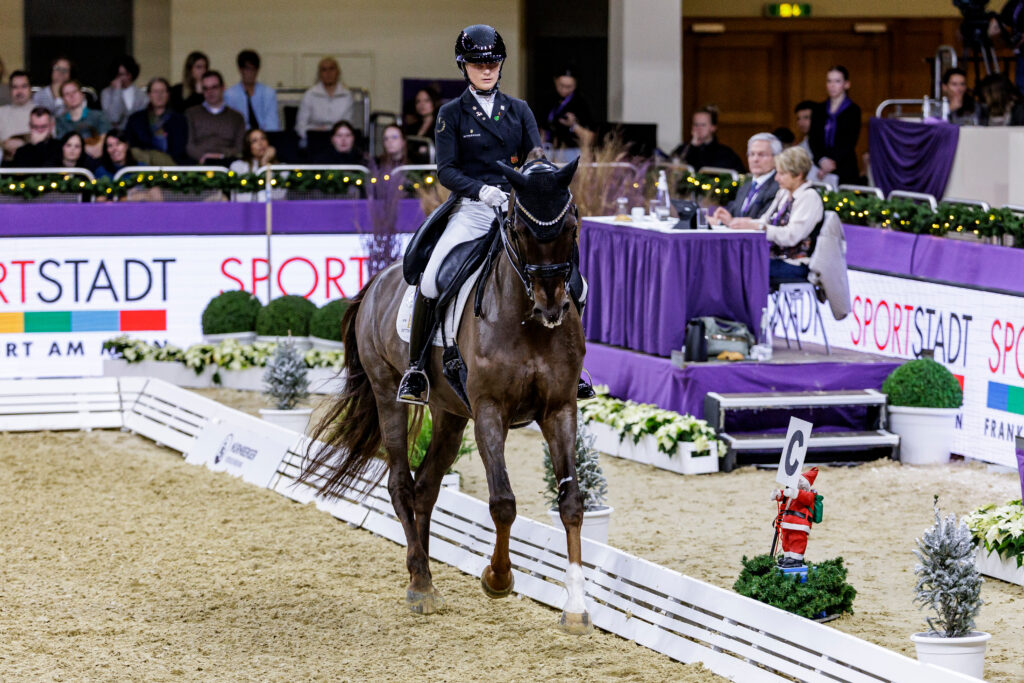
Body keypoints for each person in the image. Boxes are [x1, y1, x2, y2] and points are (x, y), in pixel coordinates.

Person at [399, 24, 591, 404]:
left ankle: (574, 365)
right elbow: (446, 171)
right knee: (433, 279)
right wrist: (480, 190)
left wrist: (543, 184)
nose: (486, 70)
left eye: (492, 63)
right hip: (472, 212)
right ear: (464, 67)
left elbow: (535, 155)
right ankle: (416, 369)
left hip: (518, 213)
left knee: (577, 284)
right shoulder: (451, 114)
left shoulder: (519, 110)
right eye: (477, 64)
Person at [728, 146, 824, 285]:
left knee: (744, 268)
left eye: (782, 174)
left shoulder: (809, 197)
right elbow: (765, 221)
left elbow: (791, 236)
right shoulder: (783, 193)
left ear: (798, 175)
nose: (776, 178)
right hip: (775, 259)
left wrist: (759, 227)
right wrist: (740, 223)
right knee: (735, 262)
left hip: (795, 264)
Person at [711, 133, 781, 226]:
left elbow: (764, 222)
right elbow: (733, 215)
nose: (755, 159)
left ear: (776, 158)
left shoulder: (779, 186)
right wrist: (721, 218)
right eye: (752, 154)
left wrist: (731, 221)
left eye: (762, 155)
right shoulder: (745, 186)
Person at [808, 66, 862, 185]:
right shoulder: (818, 109)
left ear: (846, 84)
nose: (832, 85)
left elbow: (849, 141)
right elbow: (813, 138)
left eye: (837, 81)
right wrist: (822, 160)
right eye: (829, 81)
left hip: (845, 167)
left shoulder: (853, 110)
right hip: (820, 167)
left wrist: (832, 161)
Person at [185, 70, 246, 164]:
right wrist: (203, 158)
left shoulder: (237, 117)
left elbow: (240, 148)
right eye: (206, 88)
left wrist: (221, 156)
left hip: (229, 164)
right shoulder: (191, 114)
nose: (210, 92)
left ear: (223, 88)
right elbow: (189, 145)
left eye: (214, 87)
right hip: (199, 164)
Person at [126, 77, 189, 164]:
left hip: (172, 166)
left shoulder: (179, 120)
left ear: (168, 94)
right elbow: (133, 147)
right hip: (144, 165)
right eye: (155, 92)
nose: (159, 95)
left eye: (162, 91)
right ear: (149, 95)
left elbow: (180, 149)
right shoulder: (135, 120)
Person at [295, 57, 354, 147]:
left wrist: (330, 133)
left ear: (338, 72)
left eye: (331, 69)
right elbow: (300, 125)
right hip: (313, 139)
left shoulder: (347, 95)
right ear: (320, 74)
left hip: (339, 141)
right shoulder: (310, 94)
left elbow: (347, 125)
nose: (328, 73)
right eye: (324, 70)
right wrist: (314, 131)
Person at [771, 467, 820, 567]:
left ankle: (796, 559)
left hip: (799, 525)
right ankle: (788, 557)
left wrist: (794, 493)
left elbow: (805, 497)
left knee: (797, 541)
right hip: (787, 523)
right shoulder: (791, 493)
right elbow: (784, 495)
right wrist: (778, 494)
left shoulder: (809, 495)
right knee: (786, 541)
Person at [671, 106, 744, 172]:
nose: (698, 128)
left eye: (703, 125)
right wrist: (692, 147)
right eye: (696, 124)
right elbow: (672, 166)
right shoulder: (683, 149)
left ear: (713, 127)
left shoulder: (725, 154)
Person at [541, 67, 595, 155]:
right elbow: (542, 129)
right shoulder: (548, 100)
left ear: (575, 85)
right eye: (561, 85)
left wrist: (573, 125)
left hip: (573, 151)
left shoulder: (581, 103)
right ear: (555, 81)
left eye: (569, 87)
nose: (564, 90)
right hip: (550, 149)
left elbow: (590, 138)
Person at [224, 50, 280, 132]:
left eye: (253, 69)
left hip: (265, 135)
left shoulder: (268, 93)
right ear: (240, 69)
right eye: (247, 69)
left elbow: (272, 123)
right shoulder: (230, 95)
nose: (250, 73)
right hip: (240, 136)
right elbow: (231, 123)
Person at [54, 80, 110, 157]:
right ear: (63, 100)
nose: (71, 96)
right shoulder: (60, 121)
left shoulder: (99, 116)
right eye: (67, 94)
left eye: (74, 92)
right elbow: (63, 149)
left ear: (82, 94)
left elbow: (105, 142)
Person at [794, 100, 837, 187]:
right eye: (798, 118)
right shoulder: (801, 145)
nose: (801, 122)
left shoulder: (829, 141)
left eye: (806, 117)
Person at [100, 55, 148, 130]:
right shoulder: (106, 93)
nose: (123, 78)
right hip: (115, 134)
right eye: (119, 75)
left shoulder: (141, 95)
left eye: (126, 74)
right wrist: (117, 91)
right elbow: (114, 118)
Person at [0, 70, 33, 162]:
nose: (19, 91)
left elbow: (49, 141)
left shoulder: (42, 112)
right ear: (10, 90)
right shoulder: (1, 112)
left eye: (24, 86)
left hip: (35, 164)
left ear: (30, 88)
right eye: (15, 87)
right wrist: (4, 145)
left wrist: (23, 142)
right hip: (5, 164)